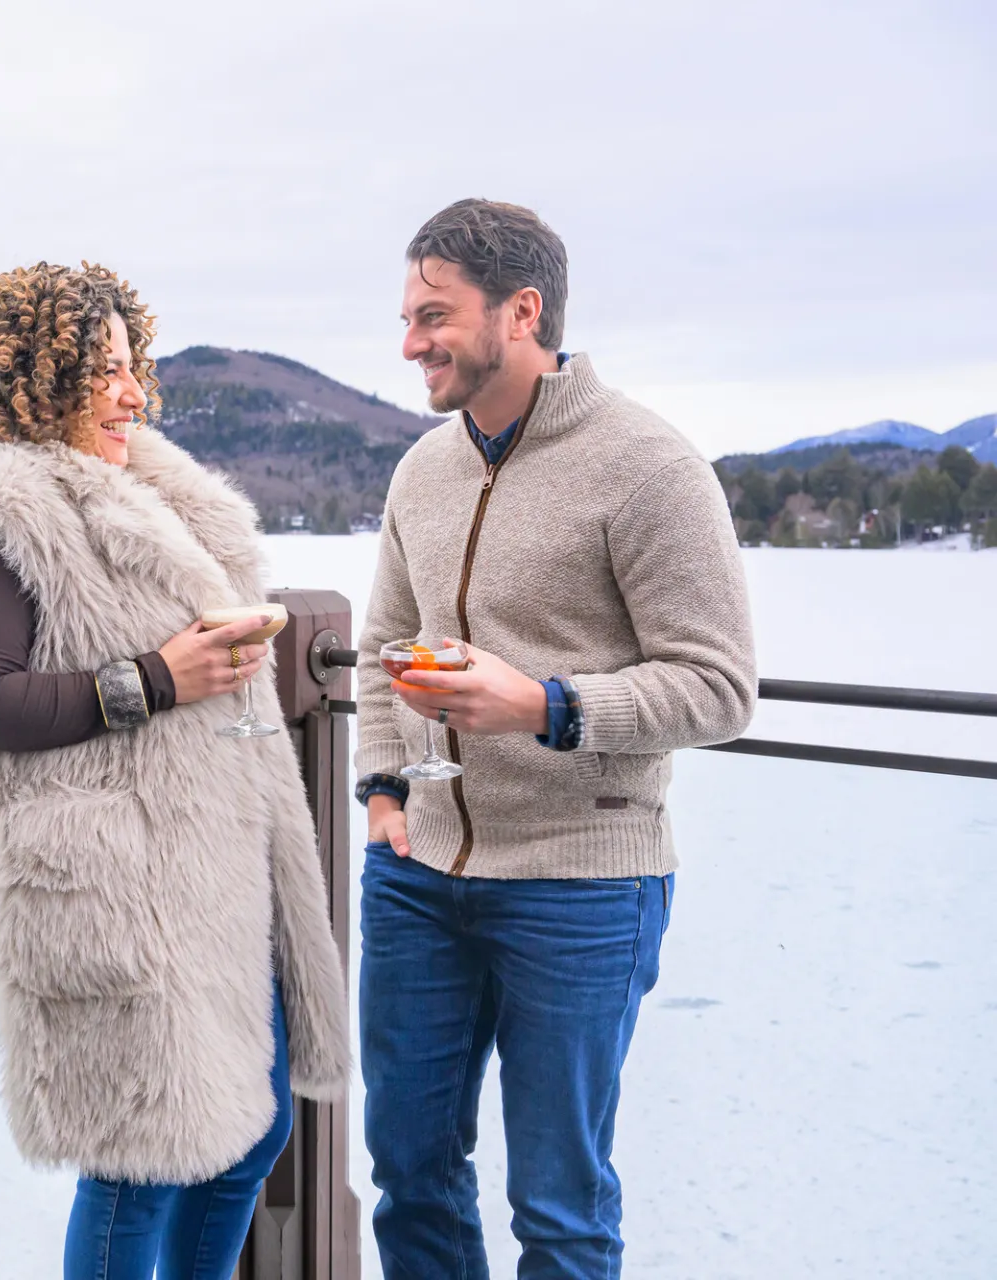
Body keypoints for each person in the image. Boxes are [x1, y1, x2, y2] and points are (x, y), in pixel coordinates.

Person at [0, 261, 350, 1280]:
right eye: (102, 370)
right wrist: (157, 676)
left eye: (130, 365)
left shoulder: (146, 489)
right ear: (32, 375)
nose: (132, 391)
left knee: (258, 1123)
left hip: (207, 869)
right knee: (137, 1160)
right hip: (110, 885)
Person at [354, 199, 757, 1278]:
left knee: (560, 1207)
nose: (409, 344)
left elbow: (719, 687)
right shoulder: (421, 472)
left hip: (582, 887)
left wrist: (545, 705)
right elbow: (382, 643)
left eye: (433, 314)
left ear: (521, 309)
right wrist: (383, 785)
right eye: (406, 317)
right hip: (416, 870)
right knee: (409, 1174)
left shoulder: (649, 466)